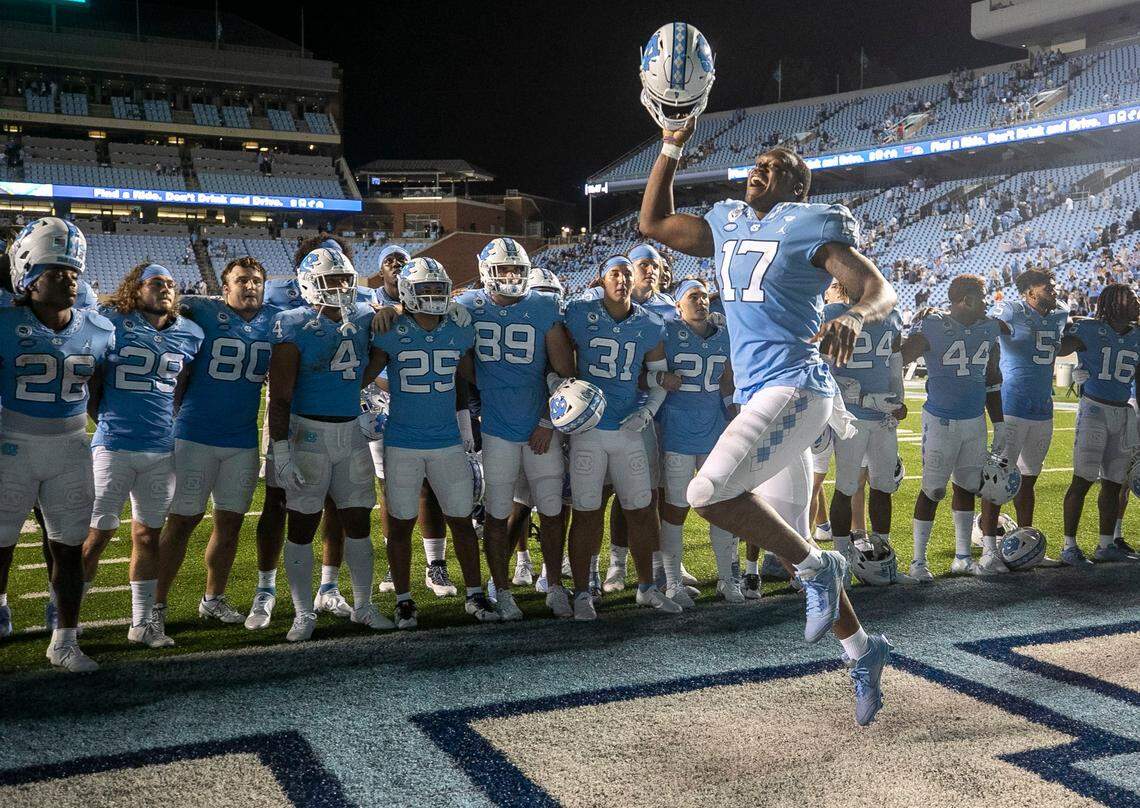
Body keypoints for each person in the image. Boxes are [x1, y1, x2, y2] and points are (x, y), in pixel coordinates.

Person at [639, 126, 896, 726]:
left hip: (797, 386)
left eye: (774, 167)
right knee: (787, 543)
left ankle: (824, 568)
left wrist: (855, 315)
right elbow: (653, 224)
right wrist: (671, 144)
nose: (758, 171)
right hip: (763, 393)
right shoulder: (728, 220)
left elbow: (875, 287)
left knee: (704, 493)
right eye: (757, 163)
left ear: (798, 186)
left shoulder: (809, 226)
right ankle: (862, 649)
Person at [0, 218, 114, 671]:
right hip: (13, 442)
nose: (69, 279)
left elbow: (101, 391)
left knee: (69, 546)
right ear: (28, 278)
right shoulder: (5, 322)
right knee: (2, 542)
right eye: (55, 272)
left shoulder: (99, 328)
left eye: (73, 272)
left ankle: (65, 639)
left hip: (70, 447)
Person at [266, 247, 390, 642]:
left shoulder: (364, 317)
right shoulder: (292, 323)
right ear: (307, 285)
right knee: (302, 525)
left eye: (343, 279)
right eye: (329, 280)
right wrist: (281, 449)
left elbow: (386, 335)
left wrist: (395, 311)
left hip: (351, 432)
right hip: (308, 434)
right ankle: (303, 613)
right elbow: (280, 395)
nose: (339, 287)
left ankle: (364, 606)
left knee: (358, 522)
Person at [154, 257, 281, 635]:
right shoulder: (202, 311)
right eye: (241, 280)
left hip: (241, 440)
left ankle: (213, 599)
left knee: (230, 523)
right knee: (181, 522)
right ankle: (156, 603)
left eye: (256, 280)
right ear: (224, 288)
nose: (250, 286)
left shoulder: (276, 319)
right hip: (194, 434)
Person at [82, 263, 204, 649]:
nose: (165, 289)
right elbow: (93, 381)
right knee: (96, 535)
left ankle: (142, 622)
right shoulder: (111, 322)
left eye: (170, 284)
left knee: (148, 535)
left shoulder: (190, 333)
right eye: (156, 283)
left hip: (159, 449)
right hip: (114, 445)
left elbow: (181, 386)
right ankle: (65, 614)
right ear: (136, 289)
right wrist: (108, 421)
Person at [367, 258, 494, 627]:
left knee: (462, 522)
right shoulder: (388, 329)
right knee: (401, 524)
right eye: (425, 289)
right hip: (403, 442)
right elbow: (365, 375)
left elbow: (474, 376)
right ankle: (404, 599)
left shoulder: (458, 329)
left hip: (447, 441)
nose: (434, 296)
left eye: (439, 289)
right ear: (407, 291)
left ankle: (475, 595)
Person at [455, 239, 576, 618]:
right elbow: (458, 357)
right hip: (496, 428)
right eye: (504, 269)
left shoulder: (543, 306)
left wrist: (545, 420)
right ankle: (503, 590)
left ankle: (554, 584)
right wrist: (489, 385)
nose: (510, 276)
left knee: (553, 510)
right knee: (496, 512)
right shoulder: (467, 306)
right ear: (485, 271)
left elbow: (564, 374)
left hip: (540, 427)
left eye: (517, 270)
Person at [559, 255, 674, 620]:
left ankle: (647, 588)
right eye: (615, 274)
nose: (622, 280)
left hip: (628, 429)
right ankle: (581, 592)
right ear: (601, 280)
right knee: (587, 513)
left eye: (627, 274)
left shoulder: (650, 323)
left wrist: (648, 411)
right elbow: (557, 354)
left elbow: (660, 377)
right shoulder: (578, 312)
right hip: (588, 431)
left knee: (641, 510)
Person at [899, 275, 1010, 580]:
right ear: (968, 299)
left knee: (967, 487)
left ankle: (962, 557)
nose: (987, 304)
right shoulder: (932, 324)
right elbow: (902, 356)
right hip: (940, 420)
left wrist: (998, 422)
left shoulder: (987, 328)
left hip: (974, 420)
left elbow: (991, 376)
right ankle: (918, 563)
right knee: (933, 489)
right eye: (983, 297)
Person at [655, 278, 740, 605]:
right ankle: (673, 582)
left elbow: (727, 380)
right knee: (676, 506)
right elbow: (653, 376)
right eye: (693, 297)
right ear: (678, 305)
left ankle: (726, 579)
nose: (701, 302)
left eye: (704, 297)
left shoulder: (724, 336)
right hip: (677, 430)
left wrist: (733, 409)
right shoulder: (667, 333)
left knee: (718, 506)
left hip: (714, 429)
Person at [825, 280, 906, 577]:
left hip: (883, 417)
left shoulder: (891, 316)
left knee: (884, 486)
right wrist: (860, 397)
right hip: (852, 416)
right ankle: (841, 561)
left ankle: (882, 550)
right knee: (846, 487)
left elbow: (894, 364)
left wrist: (899, 402)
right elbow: (822, 369)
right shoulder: (834, 313)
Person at [1060, 284, 1140, 565]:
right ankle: (1069, 545)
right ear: (1114, 303)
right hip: (1094, 409)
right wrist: (1073, 366)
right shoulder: (1090, 329)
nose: (1136, 303)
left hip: (1123, 412)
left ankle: (1106, 545)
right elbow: (1057, 348)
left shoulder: (1138, 335)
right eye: (1129, 299)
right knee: (1082, 480)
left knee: (1113, 483)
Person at [992, 268, 1073, 528]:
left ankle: (1026, 535)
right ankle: (988, 542)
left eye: (1054, 286)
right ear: (1030, 292)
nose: (1055, 290)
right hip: (1012, 403)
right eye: (1048, 287)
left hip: (1042, 407)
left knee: (1029, 477)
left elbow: (1068, 333)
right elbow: (986, 326)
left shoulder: (1060, 313)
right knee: (1000, 477)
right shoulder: (1012, 311)